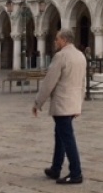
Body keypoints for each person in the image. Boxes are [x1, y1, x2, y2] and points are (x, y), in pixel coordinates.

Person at [33, 29, 87, 185]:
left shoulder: (61, 56)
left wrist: (38, 102)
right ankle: (56, 168)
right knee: (60, 136)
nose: (55, 41)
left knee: (67, 138)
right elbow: (83, 83)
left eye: (57, 39)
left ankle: (76, 173)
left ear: (64, 40)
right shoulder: (80, 55)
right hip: (72, 103)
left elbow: (49, 81)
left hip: (62, 103)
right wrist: (79, 104)